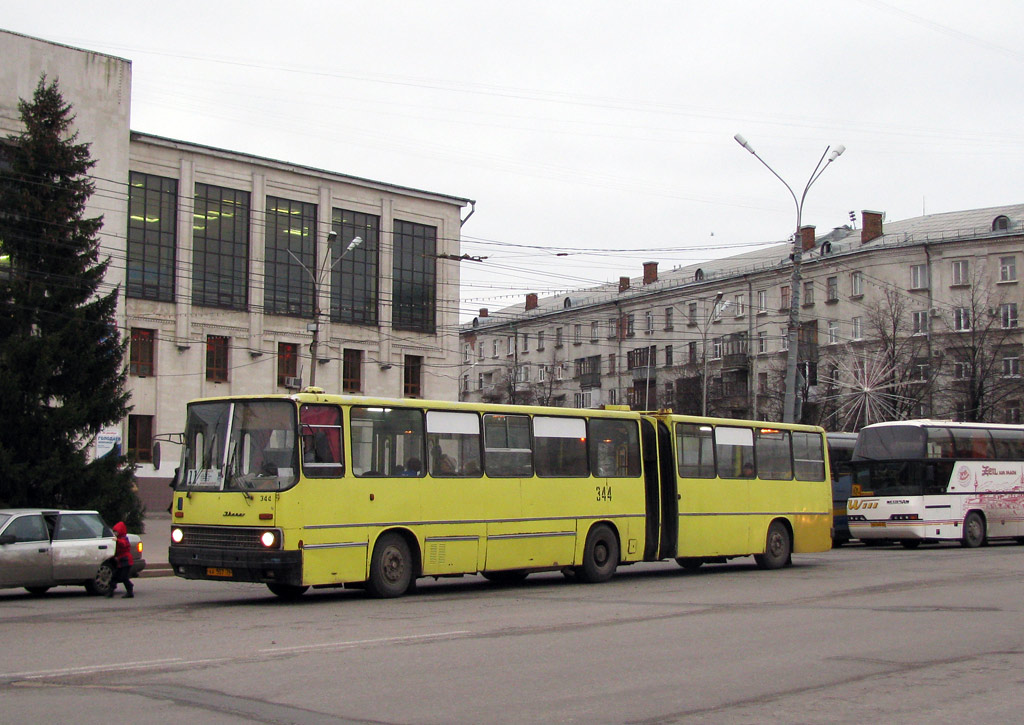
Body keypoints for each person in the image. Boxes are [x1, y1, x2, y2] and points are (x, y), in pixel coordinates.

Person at [107, 521, 134, 599]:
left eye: (116, 532)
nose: (115, 533)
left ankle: (130, 590)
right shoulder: (119, 539)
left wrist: (117, 540)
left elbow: (123, 544)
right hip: (121, 561)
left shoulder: (123, 538)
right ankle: (111, 591)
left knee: (124, 577)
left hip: (126, 561)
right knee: (115, 576)